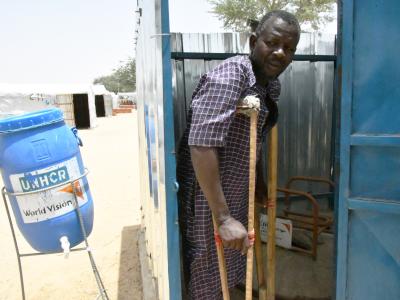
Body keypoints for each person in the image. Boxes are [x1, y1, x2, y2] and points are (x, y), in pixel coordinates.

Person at [177, 10, 301, 300]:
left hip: (235, 190)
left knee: (232, 259)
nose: (281, 53)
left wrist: (256, 181)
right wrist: (222, 217)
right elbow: (202, 145)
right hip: (208, 198)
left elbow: (253, 138)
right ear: (253, 41)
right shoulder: (231, 75)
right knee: (208, 264)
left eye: (290, 48)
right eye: (273, 43)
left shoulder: (269, 85)